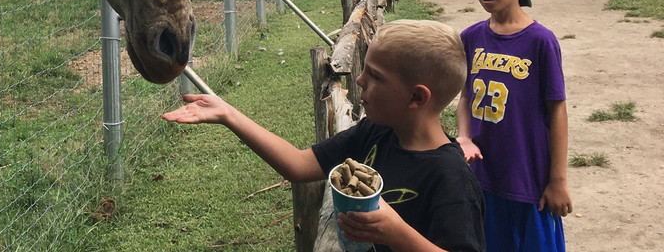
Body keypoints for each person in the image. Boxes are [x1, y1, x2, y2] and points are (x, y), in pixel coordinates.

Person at [162, 20, 485, 252]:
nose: (358, 80)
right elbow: (300, 166)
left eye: (374, 76)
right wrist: (228, 114)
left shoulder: (451, 178)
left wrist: (397, 235)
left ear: (417, 98)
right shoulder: (377, 132)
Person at [456, 0, 572, 252]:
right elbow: (465, 96)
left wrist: (557, 180)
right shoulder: (470, 37)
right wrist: (464, 136)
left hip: (527, 182)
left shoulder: (540, 41)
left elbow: (557, 110)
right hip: (482, 179)